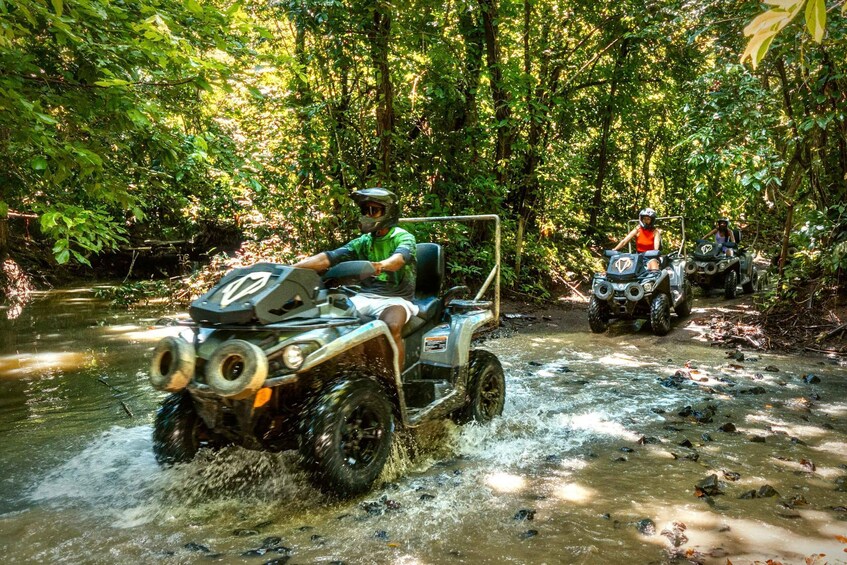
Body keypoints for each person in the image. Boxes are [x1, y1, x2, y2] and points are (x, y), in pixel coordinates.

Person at [294, 188, 417, 369]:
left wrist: (381, 265)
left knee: (391, 326)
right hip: (365, 296)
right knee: (333, 319)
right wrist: (291, 268)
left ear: (388, 212)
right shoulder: (364, 241)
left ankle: (395, 382)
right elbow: (328, 258)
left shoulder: (402, 237)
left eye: (374, 210)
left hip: (395, 299)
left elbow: (398, 260)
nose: (368, 215)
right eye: (365, 211)